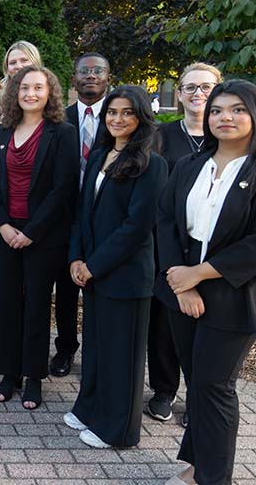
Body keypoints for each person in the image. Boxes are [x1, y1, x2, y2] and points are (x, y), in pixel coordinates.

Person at [157, 80, 256, 485]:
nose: (225, 117)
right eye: (218, 110)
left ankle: (213, 479)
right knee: (197, 382)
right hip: (181, 290)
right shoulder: (188, 166)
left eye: (237, 109)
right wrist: (181, 285)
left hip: (234, 295)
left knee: (215, 386)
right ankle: (194, 466)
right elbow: (165, 220)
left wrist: (198, 275)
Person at [64, 85, 167, 449]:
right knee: (96, 346)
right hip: (91, 271)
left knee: (121, 356)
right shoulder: (100, 155)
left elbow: (136, 228)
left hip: (125, 276)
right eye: (112, 112)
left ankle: (118, 430)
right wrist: (77, 258)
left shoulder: (152, 164)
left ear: (141, 117)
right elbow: (81, 212)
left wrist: (93, 265)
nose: (117, 119)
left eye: (126, 112)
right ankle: (90, 408)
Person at [0, 66, 77, 409]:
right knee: (7, 305)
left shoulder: (62, 133)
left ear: (50, 92)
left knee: (36, 306)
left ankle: (34, 377)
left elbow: (62, 189)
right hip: (5, 234)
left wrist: (31, 232)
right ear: (15, 93)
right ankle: (9, 373)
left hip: (44, 236)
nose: (31, 94)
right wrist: (5, 226)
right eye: (24, 88)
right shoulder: (3, 130)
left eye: (38, 87)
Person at [147, 62, 222, 425]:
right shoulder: (162, 136)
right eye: (190, 88)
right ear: (179, 94)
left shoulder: (226, 136)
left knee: (206, 325)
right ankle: (164, 389)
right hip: (168, 243)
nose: (198, 95)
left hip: (211, 251)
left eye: (206, 88)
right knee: (164, 322)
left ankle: (199, 396)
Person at [50, 52, 110, 378]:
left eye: (97, 71)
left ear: (107, 78)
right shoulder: (62, 119)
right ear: (73, 79)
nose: (90, 76)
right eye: (83, 71)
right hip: (65, 218)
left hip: (104, 220)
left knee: (100, 287)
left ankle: (98, 354)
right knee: (67, 288)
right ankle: (65, 349)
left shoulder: (118, 117)